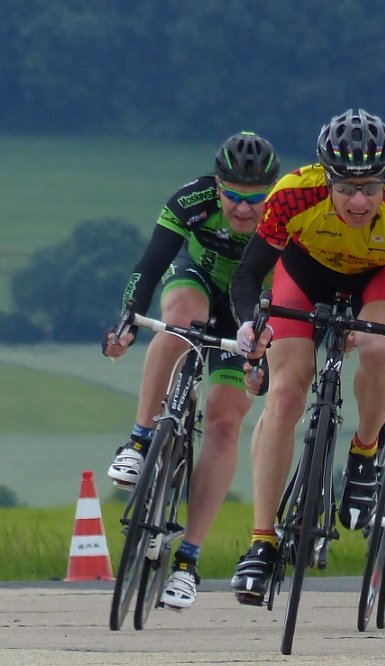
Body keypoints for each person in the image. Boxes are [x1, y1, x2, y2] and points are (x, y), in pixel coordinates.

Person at [228, 108, 385, 604]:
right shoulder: (293, 194)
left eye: (370, 187)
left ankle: (365, 452)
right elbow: (246, 278)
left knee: (378, 346)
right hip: (307, 271)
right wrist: (249, 324)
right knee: (285, 392)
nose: (357, 199)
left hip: (383, 275)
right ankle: (261, 543)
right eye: (345, 186)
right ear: (325, 178)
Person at [102, 131, 280, 609]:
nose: (244, 209)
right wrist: (127, 318)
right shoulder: (193, 200)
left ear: (272, 191)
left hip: (250, 311)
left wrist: (262, 356)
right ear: (216, 186)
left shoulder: (283, 217)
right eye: (234, 197)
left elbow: (288, 296)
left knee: (224, 425)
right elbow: (152, 262)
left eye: (255, 199)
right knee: (178, 322)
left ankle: (188, 560)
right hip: (197, 279)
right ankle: (140, 439)